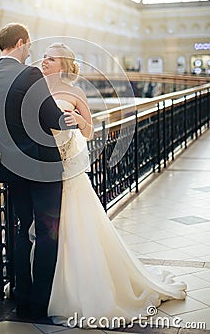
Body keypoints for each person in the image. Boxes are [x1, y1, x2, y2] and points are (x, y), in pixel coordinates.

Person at [36, 43, 186, 328]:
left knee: (76, 227)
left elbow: (90, 131)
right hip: (44, 171)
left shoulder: (75, 93)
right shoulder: (35, 91)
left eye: (51, 58)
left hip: (69, 169)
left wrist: (80, 119)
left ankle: (83, 290)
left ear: (64, 65)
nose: (44, 60)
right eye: (43, 56)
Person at [0, 23, 76, 320]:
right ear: (21, 43)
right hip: (42, 167)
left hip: (11, 167)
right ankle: (40, 303)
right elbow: (52, 117)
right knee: (47, 234)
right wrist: (70, 119)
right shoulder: (29, 73)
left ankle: (22, 299)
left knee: (21, 232)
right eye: (30, 46)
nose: (31, 52)